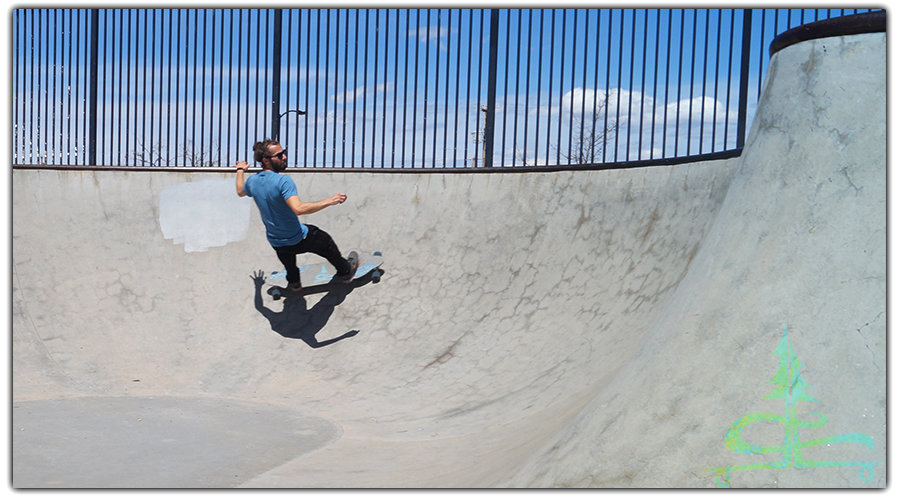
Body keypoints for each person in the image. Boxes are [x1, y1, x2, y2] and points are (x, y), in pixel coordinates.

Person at [236, 139, 358, 291]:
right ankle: (346, 272)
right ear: (266, 161)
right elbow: (298, 209)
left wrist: (240, 170)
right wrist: (330, 201)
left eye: (284, 153)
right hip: (299, 238)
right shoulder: (283, 181)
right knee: (325, 242)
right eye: (279, 155)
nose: (284, 157)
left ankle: (294, 282)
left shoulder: (252, 181)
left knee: (288, 261)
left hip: (276, 241)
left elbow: (240, 191)